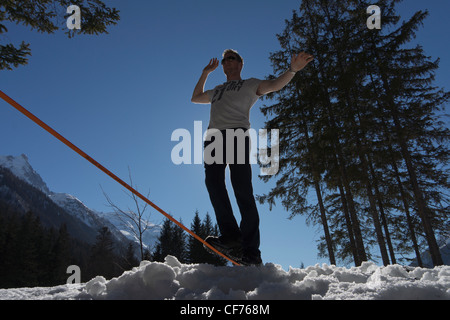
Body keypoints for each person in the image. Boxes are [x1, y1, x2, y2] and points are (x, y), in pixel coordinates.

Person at [191, 49, 314, 266]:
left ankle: (251, 251)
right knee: (213, 183)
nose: (227, 62)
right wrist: (205, 73)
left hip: (237, 134)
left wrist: (292, 70)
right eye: (224, 61)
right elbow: (195, 98)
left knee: (242, 190)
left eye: (232, 59)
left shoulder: (250, 84)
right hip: (213, 138)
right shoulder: (217, 89)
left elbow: (275, 84)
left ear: (240, 64)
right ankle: (231, 237)